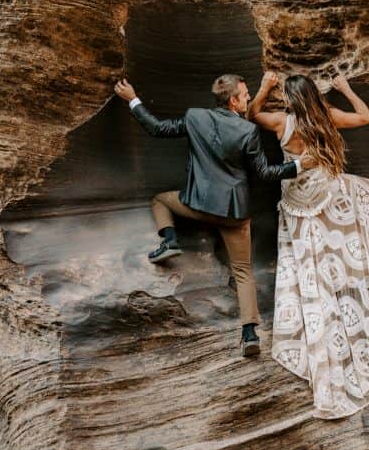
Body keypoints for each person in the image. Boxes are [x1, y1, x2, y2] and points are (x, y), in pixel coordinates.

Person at [248, 71, 369, 419]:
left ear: (291, 100)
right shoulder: (328, 118)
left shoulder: (282, 122)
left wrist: (264, 88)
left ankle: (321, 296)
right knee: (343, 238)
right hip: (326, 197)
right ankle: (346, 284)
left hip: (298, 202)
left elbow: (251, 114)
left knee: (309, 260)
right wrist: (345, 89)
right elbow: (366, 116)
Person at [113, 74, 310, 358]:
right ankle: (249, 333)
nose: (247, 98)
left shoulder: (195, 118)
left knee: (160, 200)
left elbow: (157, 128)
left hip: (198, 206)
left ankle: (169, 241)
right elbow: (266, 173)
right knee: (243, 271)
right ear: (232, 101)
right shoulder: (247, 131)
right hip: (233, 215)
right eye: (244, 95)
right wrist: (299, 166)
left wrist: (132, 98)